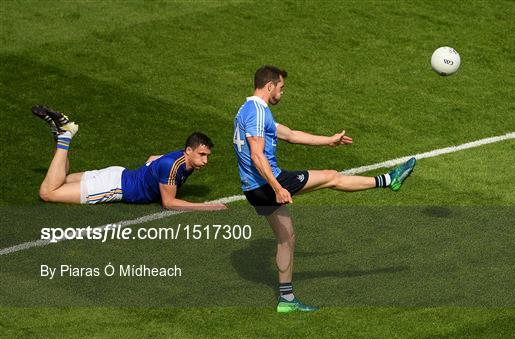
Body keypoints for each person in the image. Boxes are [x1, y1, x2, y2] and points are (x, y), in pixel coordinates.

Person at [233, 66, 416, 313]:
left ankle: (286, 301)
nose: (282, 93)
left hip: (253, 187)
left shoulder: (249, 110)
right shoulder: (256, 112)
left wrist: (329, 141)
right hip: (267, 182)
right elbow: (257, 155)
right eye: (281, 87)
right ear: (269, 86)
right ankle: (388, 180)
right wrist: (277, 187)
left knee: (287, 238)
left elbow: (291, 134)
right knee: (331, 178)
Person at [32, 106, 226, 211]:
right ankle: (65, 137)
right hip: (113, 187)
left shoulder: (179, 159)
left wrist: (148, 175)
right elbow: (169, 203)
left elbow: (152, 158)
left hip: (117, 174)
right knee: (48, 192)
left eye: (207, 156)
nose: (205, 161)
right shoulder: (173, 166)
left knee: (60, 179)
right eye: (202, 155)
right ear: (189, 151)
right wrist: (208, 206)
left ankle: (59, 133)